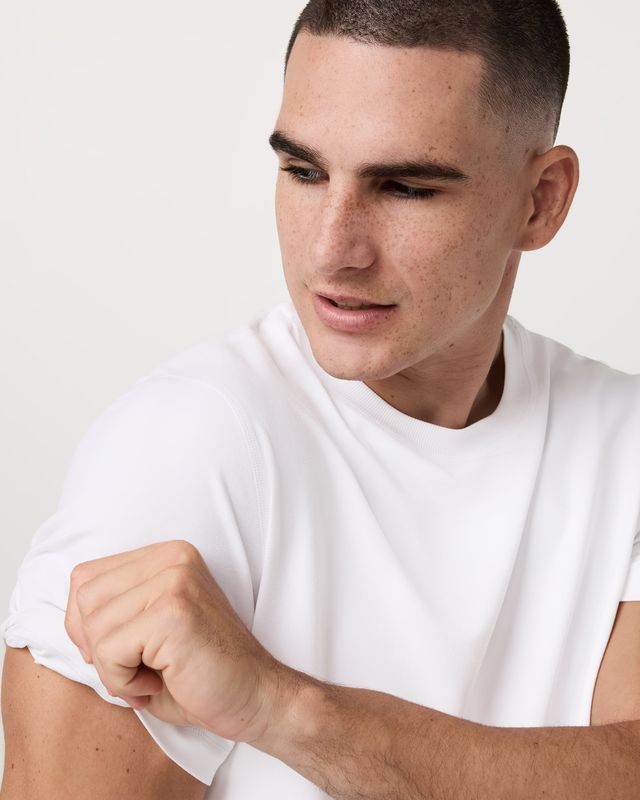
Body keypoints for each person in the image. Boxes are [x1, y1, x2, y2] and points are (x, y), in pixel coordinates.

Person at [2, 0, 640, 797]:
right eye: (304, 172)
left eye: (404, 187)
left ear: (541, 200)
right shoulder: (188, 448)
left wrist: (281, 708)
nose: (332, 251)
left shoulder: (623, 442)